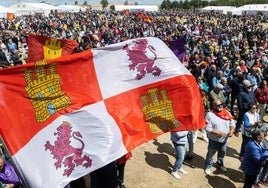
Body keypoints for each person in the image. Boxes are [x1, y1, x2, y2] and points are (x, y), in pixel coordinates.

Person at [204, 99, 235, 175]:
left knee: (222, 153)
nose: (221, 106)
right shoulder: (210, 115)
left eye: (221, 104)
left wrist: (231, 131)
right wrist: (219, 133)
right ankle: (208, 166)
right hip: (213, 140)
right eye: (218, 105)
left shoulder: (227, 112)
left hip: (224, 140)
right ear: (213, 106)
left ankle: (219, 164)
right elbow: (207, 128)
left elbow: (232, 123)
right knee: (210, 154)